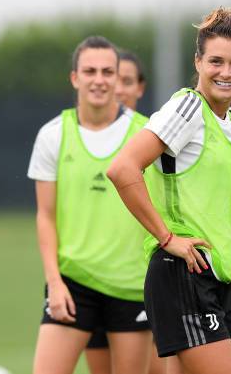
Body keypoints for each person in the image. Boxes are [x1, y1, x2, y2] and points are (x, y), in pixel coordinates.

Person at [107, 7, 231, 374]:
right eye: (216, 61)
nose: (226, 72)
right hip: (183, 271)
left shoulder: (230, 122)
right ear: (198, 62)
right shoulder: (189, 107)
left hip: (213, 276)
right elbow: (123, 168)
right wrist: (166, 236)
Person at [28, 36, 153, 374]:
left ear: (117, 78)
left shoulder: (148, 135)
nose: (99, 79)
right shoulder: (53, 135)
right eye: (90, 71)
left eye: (107, 72)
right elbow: (45, 217)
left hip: (131, 286)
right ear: (75, 78)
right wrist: (54, 282)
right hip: (73, 284)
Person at [83, 50, 166, 374]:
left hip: (141, 280)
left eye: (126, 81)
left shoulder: (157, 137)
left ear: (140, 88)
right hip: (94, 278)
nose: (117, 88)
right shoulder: (84, 136)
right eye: (113, 79)